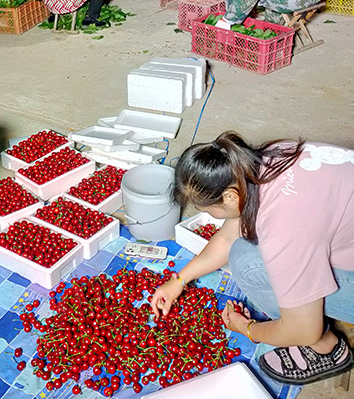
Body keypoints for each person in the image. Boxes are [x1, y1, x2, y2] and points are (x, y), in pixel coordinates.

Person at [150, 132, 354, 385]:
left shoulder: (284, 231)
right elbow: (226, 238)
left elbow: (303, 329)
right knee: (243, 248)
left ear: (231, 197)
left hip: (302, 239)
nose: (212, 217)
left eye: (207, 210)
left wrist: (247, 329)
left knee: (248, 264)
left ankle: (327, 349)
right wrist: (179, 280)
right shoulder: (270, 156)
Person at [216, 0, 323, 28]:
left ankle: (228, 22)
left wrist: (227, 20)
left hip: (292, 2)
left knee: (241, 6)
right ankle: (273, 24)